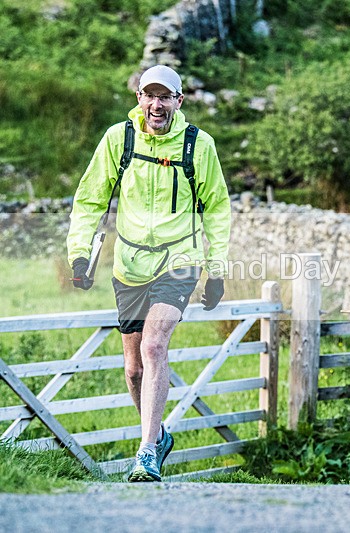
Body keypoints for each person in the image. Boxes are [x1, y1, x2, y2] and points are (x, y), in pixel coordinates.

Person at [67, 65, 231, 482]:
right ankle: (157, 436)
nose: (156, 105)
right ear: (138, 98)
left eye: (165, 97)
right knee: (134, 369)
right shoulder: (118, 139)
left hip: (180, 260)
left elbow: (217, 209)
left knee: (154, 346)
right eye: (148, 95)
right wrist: (80, 256)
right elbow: (90, 201)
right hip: (130, 264)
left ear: (180, 101)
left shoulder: (199, 145)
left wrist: (215, 270)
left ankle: (145, 454)